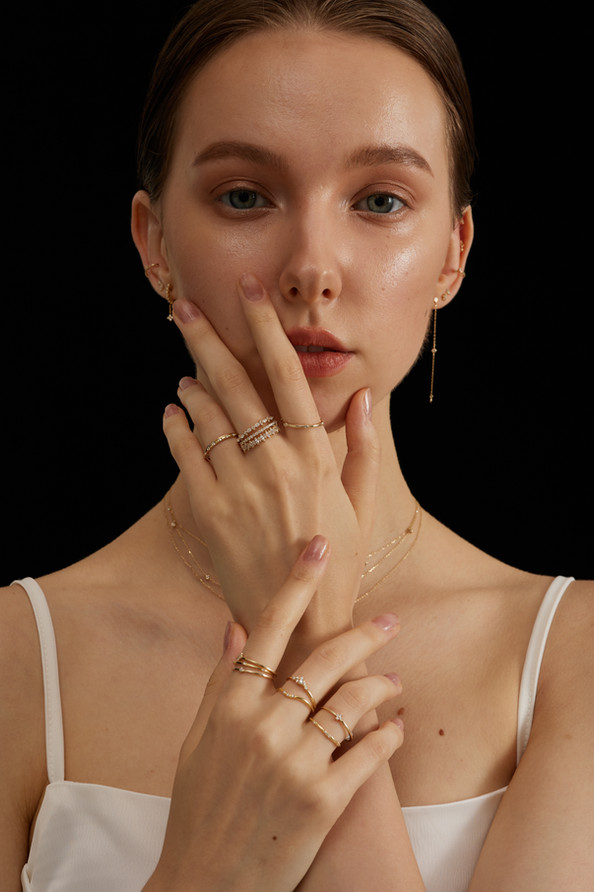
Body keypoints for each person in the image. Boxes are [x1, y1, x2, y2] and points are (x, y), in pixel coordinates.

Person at [1, 0, 592, 889]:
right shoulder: (16, 654)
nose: (311, 268)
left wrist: (313, 626)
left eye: (380, 201)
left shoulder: (575, 655)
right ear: (154, 244)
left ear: (452, 254)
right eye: (244, 196)